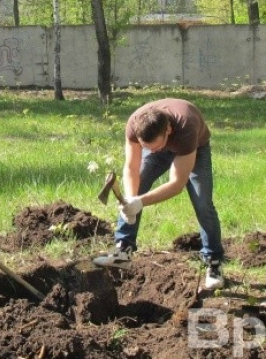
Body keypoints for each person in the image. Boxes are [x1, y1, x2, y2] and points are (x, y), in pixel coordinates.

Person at [93, 99, 226, 290]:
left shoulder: (186, 128)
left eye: (154, 147)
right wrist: (131, 200)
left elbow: (176, 184)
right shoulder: (135, 125)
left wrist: (140, 202)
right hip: (163, 139)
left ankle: (214, 261)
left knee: (202, 202)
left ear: (168, 130)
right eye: (146, 147)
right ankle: (123, 250)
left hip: (194, 147)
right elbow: (131, 167)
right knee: (138, 183)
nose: (151, 152)